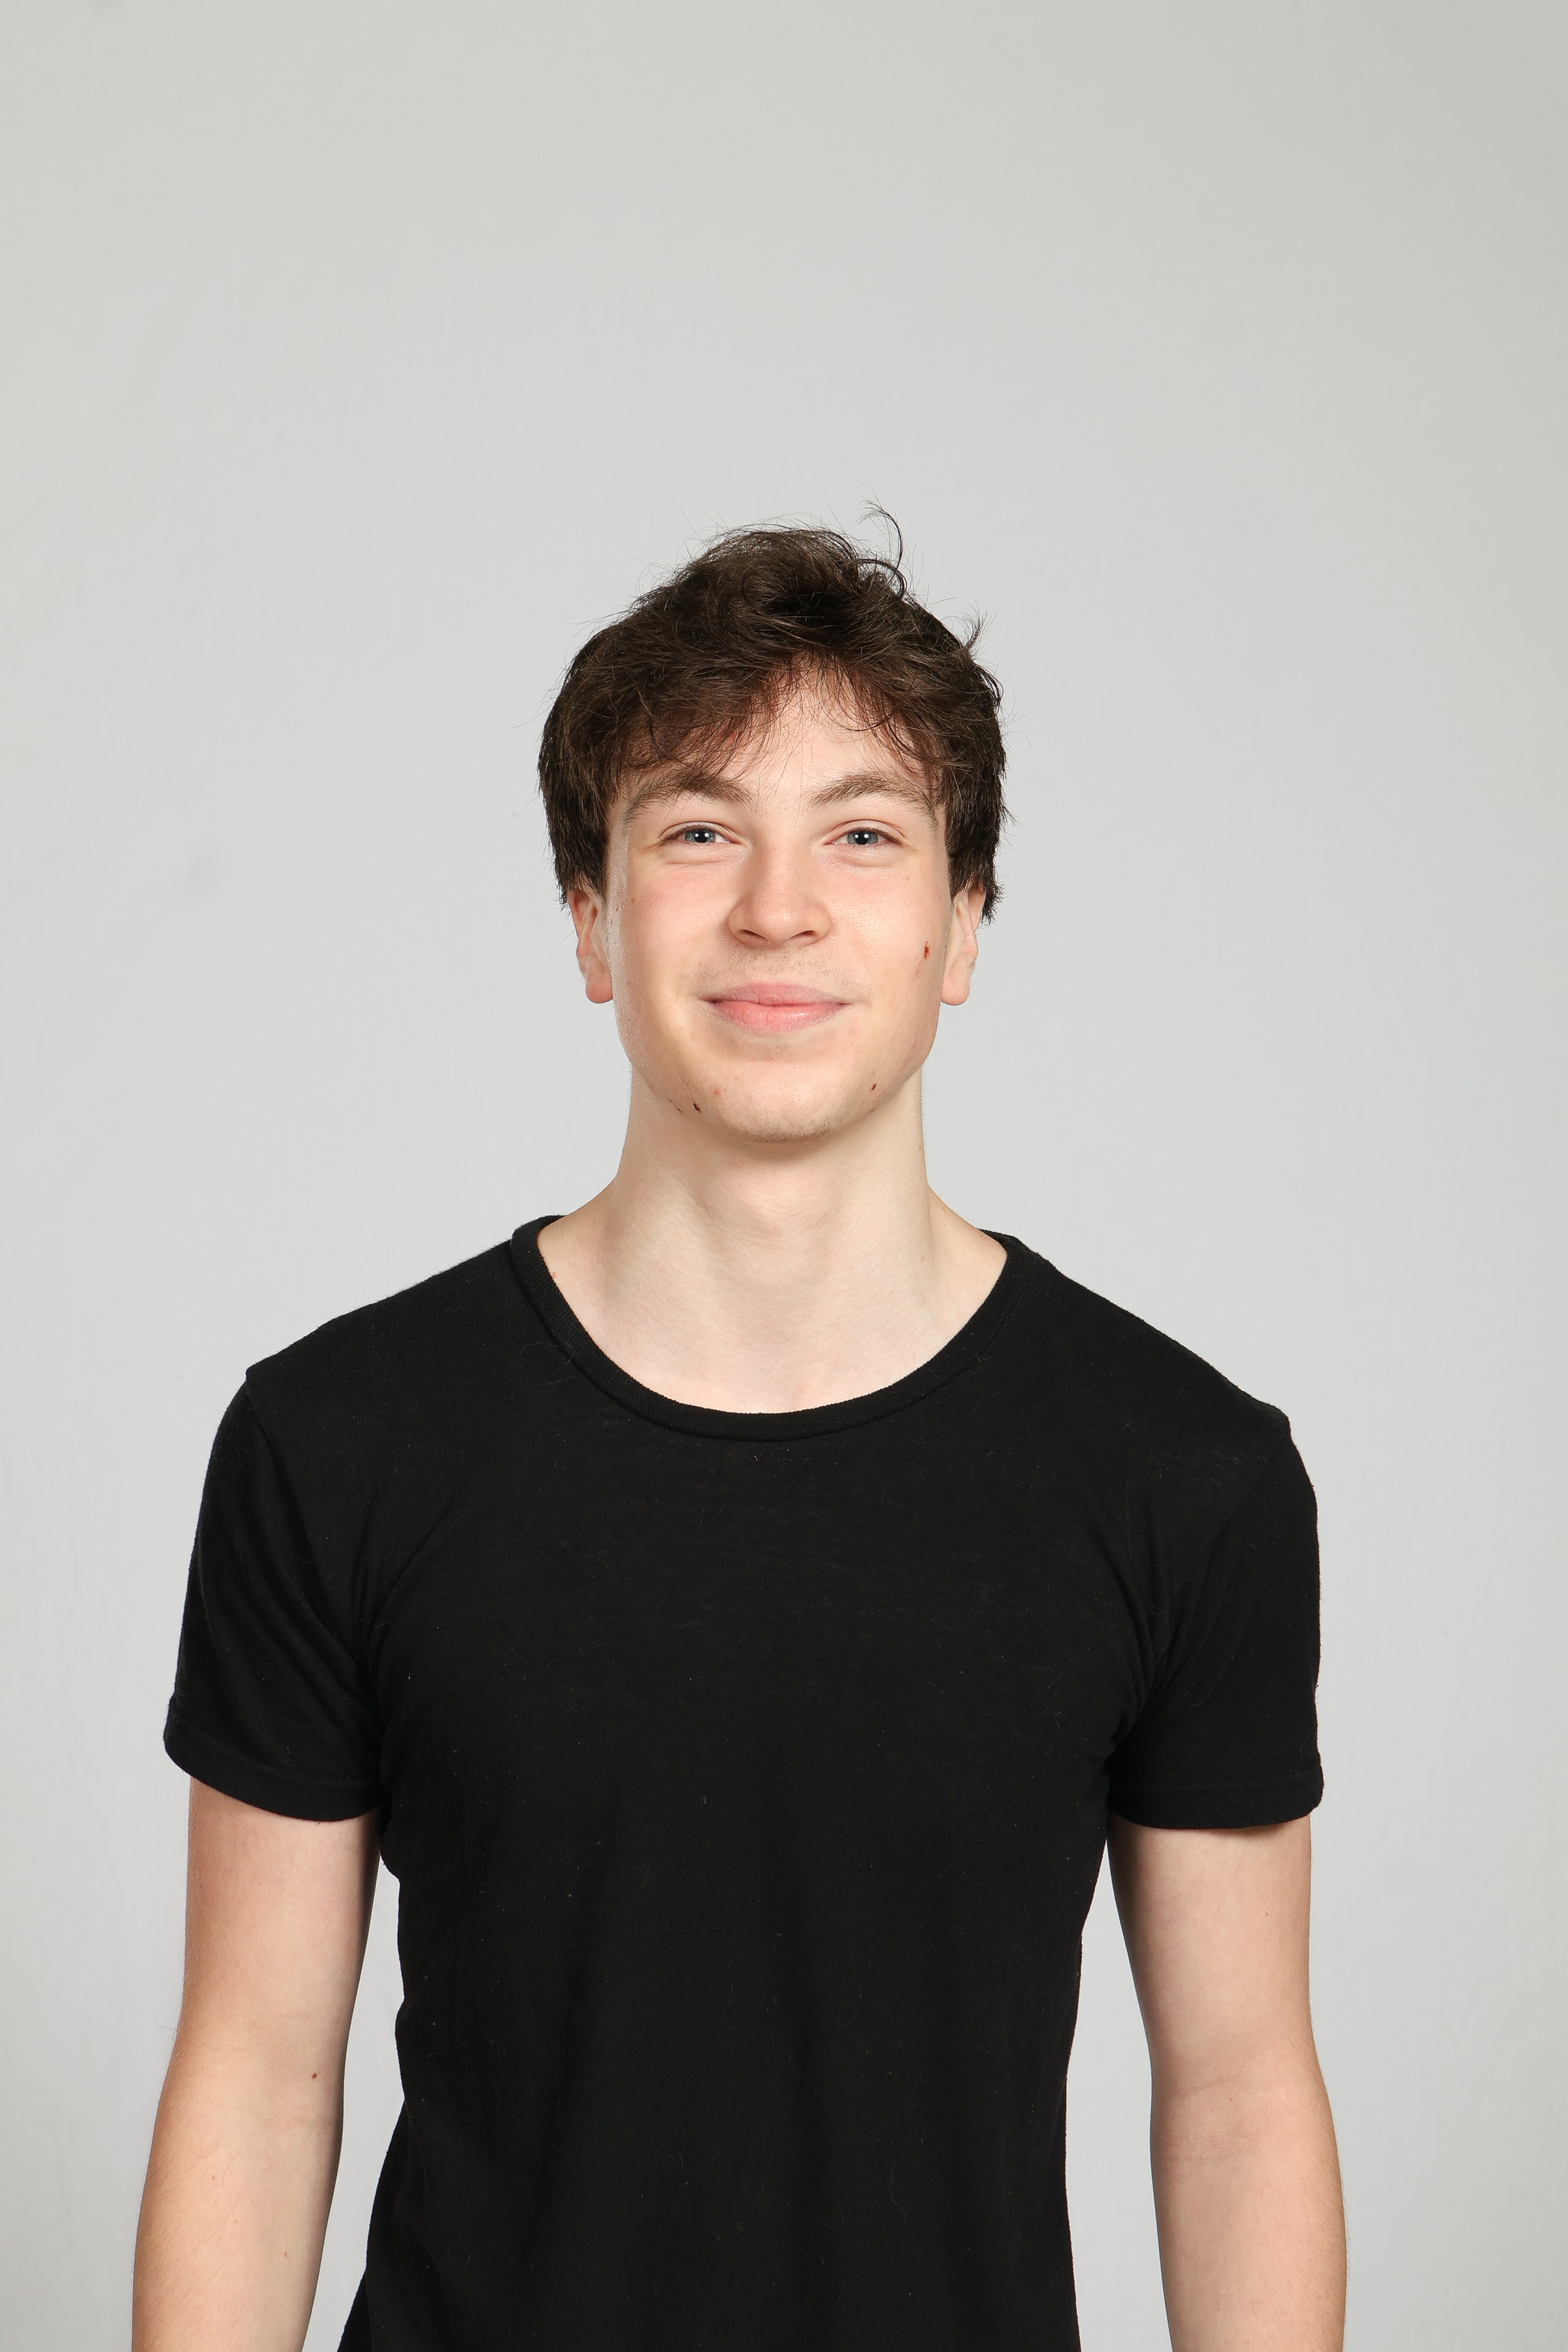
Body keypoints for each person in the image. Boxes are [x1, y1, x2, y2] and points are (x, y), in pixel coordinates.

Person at [133, 523, 1345, 2352]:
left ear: (963, 925)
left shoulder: (1189, 1476)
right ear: (590, 922)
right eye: (699, 832)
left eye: (863, 835)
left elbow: (1242, 2093)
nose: (779, 908)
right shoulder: (336, 1445)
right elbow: (254, 2070)